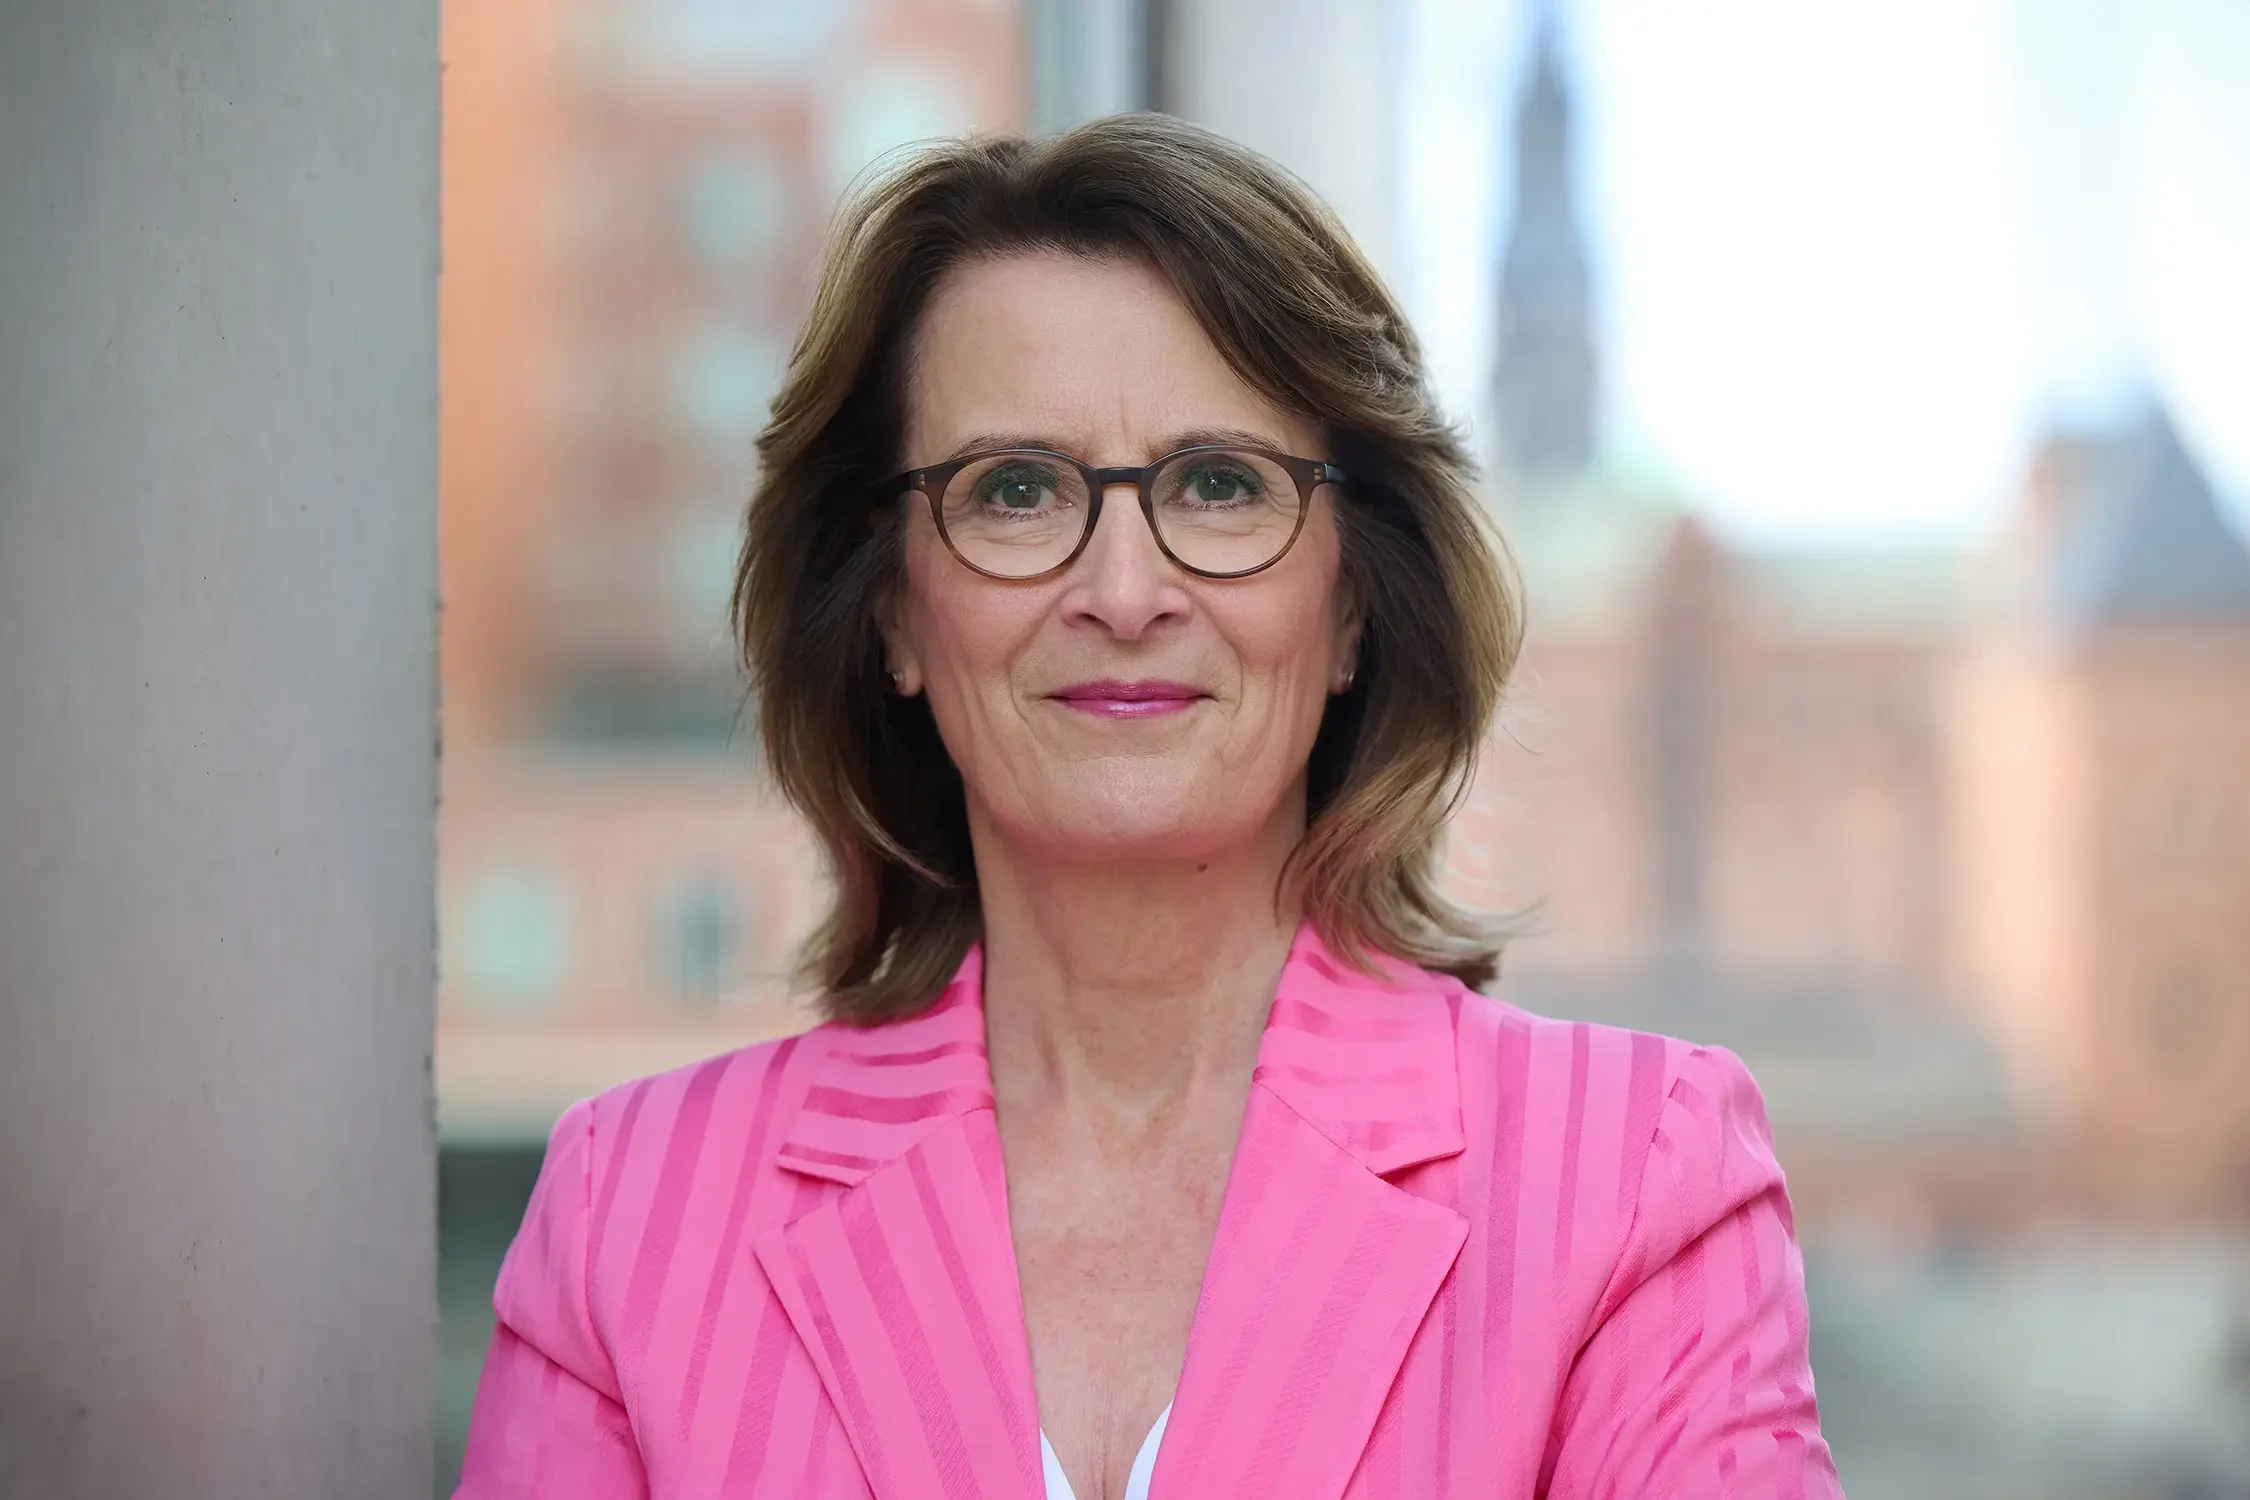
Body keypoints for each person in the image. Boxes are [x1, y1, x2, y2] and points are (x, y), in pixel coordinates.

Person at [454, 113, 1844, 1500]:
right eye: (1013, 491)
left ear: (1351, 600)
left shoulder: (1633, 1180)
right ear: (892, 612)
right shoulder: (629, 1214)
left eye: (1220, 485)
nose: (1123, 593)